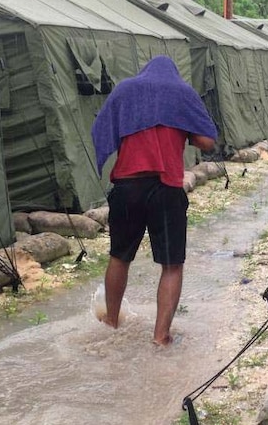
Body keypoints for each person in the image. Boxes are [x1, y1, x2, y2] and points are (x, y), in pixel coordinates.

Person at [91, 56, 217, 346]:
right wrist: (182, 129)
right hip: (166, 189)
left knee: (119, 257)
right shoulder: (182, 93)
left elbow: (101, 129)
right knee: (172, 264)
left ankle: (111, 321)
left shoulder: (125, 90)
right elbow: (207, 141)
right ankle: (161, 336)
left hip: (127, 187)